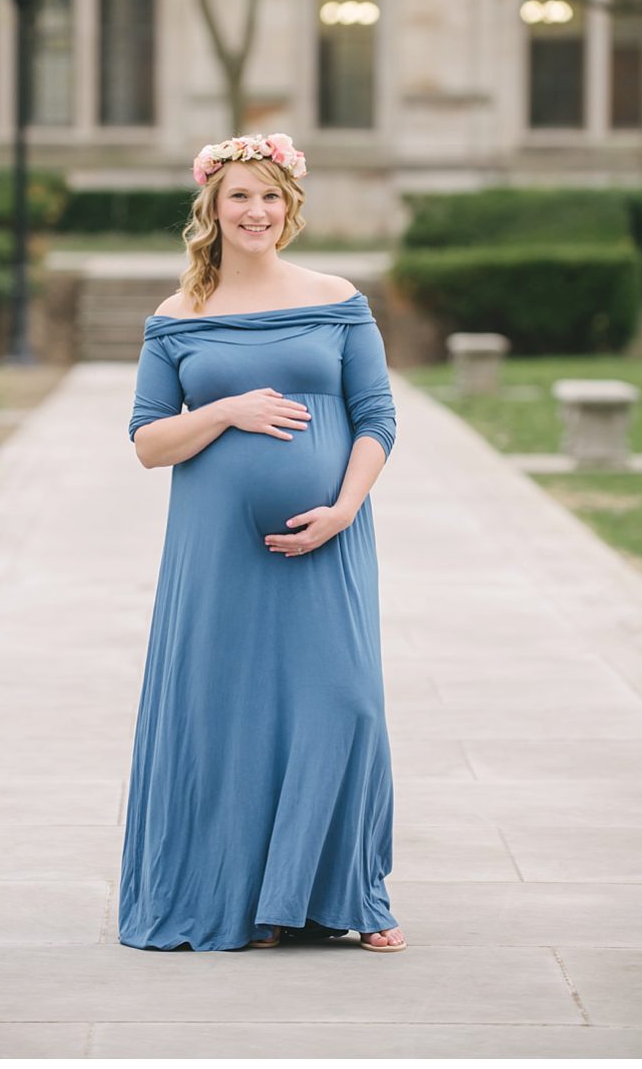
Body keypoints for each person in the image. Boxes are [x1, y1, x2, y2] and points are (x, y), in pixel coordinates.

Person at [120, 131, 408, 953]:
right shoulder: (177, 319)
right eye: (240, 195)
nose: (257, 211)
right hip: (213, 554)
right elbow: (146, 442)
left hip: (329, 540)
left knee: (344, 703)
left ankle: (345, 891)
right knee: (224, 713)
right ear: (211, 206)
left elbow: (377, 418)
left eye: (271, 196)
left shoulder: (336, 298)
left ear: (292, 207)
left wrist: (346, 508)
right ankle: (247, 899)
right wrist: (224, 411)